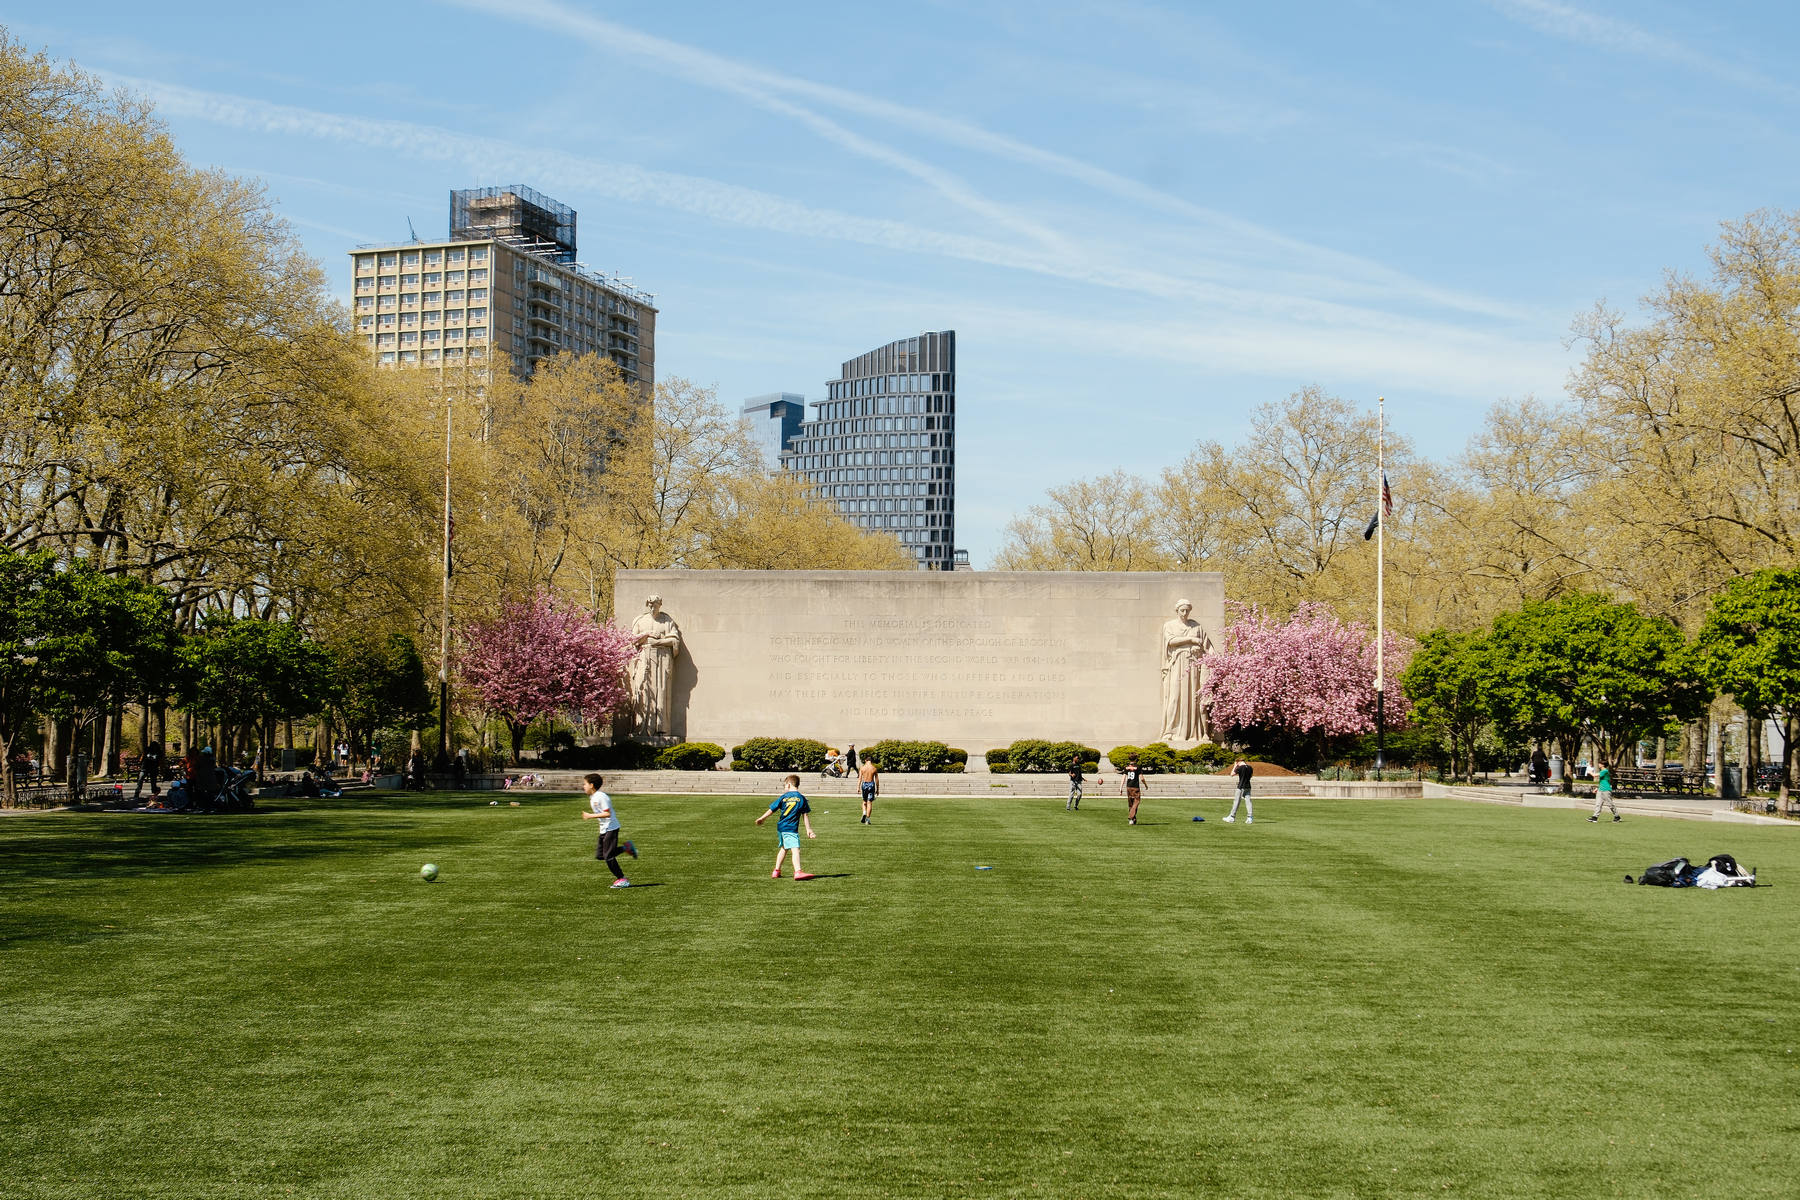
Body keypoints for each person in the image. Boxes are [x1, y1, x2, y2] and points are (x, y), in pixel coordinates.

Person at [579, 773, 637, 889]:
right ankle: (627, 847)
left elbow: (607, 813)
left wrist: (590, 816)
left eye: (585, 784)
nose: (583, 786)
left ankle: (622, 879)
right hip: (604, 829)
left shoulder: (601, 796)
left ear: (591, 785)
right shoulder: (593, 797)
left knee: (608, 856)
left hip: (611, 828)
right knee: (600, 855)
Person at [756, 774, 816, 880]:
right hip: (791, 828)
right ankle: (798, 871)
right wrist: (808, 829)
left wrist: (762, 818)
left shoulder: (784, 797)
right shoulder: (801, 798)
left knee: (784, 848)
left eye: (784, 785)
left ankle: (776, 871)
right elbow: (805, 815)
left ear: (788, 785)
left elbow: (772, 809)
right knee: (795, 849)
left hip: (781, 827)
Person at [1225, 758, 1254, 824]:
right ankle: (1250, 817)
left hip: (1241, 787)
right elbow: (1251, 776)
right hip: (1248, 786)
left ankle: (1232, 817)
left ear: (1238, 762)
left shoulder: (1240, 767)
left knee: (1236, 802)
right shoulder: (1250, 767)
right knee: (1248, 802)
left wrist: (1235, 766)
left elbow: (1231, 774)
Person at [1122, 755, 1145, 825]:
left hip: (1128, 787)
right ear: (1136, 759)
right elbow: (1142, 778)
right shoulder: (1138, 766)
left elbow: (1123, 777)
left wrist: (1120, 787)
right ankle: (1131, 816)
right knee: (1136, 801)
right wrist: (1146, 785)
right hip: (1135, 787)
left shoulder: (1126, 767)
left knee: (1130, 803)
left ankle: (1133, 819)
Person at [858, 755, 879, 824]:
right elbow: (876, 779)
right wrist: (878, 789)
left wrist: (858, 787)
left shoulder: (862, 768)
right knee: (869, 802)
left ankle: (864, 812)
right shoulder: (874, 768)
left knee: (864, 801)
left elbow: (860, 778)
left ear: (865, 761)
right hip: (871, 784)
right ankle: (867, 819)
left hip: (864, 784)